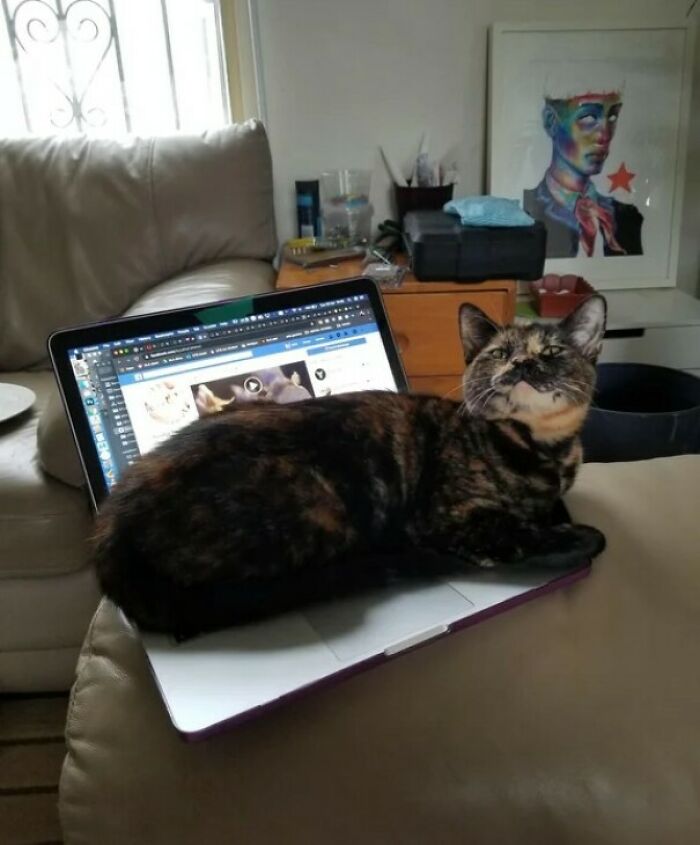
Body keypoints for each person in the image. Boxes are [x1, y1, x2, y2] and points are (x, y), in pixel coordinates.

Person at [523, 86, 643, 258]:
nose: (604, 135)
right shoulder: (524, 211)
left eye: (612, 116)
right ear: (551, 122)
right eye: (588, 117)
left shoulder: (627, 217)